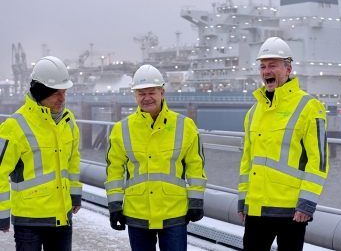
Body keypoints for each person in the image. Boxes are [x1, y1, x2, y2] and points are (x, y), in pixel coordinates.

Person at [237, 37, 329, 251]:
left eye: (273, 65)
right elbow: (247, 161)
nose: (266, 71)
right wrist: (243, 199)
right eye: (262, 66)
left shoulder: (309, 106)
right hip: (257, 209)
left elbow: (319, 161)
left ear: (288, 69)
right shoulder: (254, 112)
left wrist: (306, 203)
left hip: (292, 211)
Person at [105, 64, 207, 251]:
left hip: (174, 212)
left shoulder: (185, 126)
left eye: (151, 92)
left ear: (162, 92)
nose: (147, 98)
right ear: (135, 96)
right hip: (138, 213)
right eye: (141, 94)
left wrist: (196, 200)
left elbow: (195, 165)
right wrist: (114, 205)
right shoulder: (121, 129)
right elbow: (114, 170)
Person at [0, 56, 82, 251]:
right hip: (29, 221)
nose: (62, 98)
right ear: (40, 92)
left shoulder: (68, 122)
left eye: (64, 92)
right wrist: (2, 214)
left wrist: (75, 194)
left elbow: (73, 161)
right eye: (56, 93)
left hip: (62, 219)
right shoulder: (14, 126)